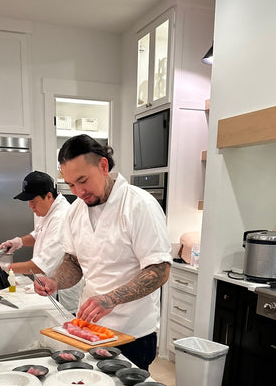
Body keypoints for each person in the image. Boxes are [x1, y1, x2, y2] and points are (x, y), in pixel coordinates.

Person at [34, 135, 172, 371]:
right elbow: (73, 261)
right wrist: (55, 281)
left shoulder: (139, 205)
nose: (78, 191)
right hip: (88, 329)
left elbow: (159, 270)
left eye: (82, 181)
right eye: (71, 185)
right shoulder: (75, 211)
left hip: (132, 333)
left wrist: (111, 299)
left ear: (103, 166)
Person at [0, 170, 80, 310]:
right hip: (44, 285)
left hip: (60, 293)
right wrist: (19, 242)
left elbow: (41, 265)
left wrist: (5, 267)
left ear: (49, 196)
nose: (30, 206)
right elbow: (38, 235)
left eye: (33, 201)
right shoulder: (46, 210)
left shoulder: (61, 217)